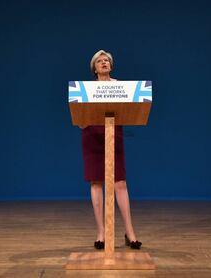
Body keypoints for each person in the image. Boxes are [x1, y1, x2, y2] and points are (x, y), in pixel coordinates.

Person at [79, 50, 142, 250]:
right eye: (100, 61)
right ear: (94, 68)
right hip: (92, 136)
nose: (104, 63)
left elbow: (132, 110)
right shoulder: (85, 89)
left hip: (114, 133)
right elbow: (79, 117)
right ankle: (101, 233)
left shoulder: (121, 87)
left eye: (107, 61)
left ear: (111, 66)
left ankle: (130, 232)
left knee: (120, 183)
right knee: (96, 182)